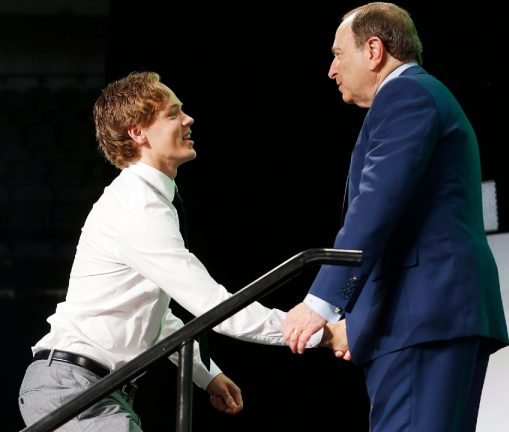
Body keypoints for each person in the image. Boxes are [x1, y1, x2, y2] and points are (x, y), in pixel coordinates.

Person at [18, 71, 349, 431]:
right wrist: (325, 335)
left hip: (87, 387)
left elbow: (157, 321)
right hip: (74, 389)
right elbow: (215, 307)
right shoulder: (138, 207)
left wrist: (208, 376)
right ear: (137, 132)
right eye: (172, 113)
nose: (188, 119)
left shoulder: (145, 201)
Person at [282, 3, 509, 431]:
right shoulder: (420, 96)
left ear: (374, 50)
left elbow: (375, 207)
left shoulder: (405, 95)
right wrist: (361, 321)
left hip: (424, 319)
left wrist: (321, 302)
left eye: (337, 54)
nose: (332, 70)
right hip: (427, 316)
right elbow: (405, 225)